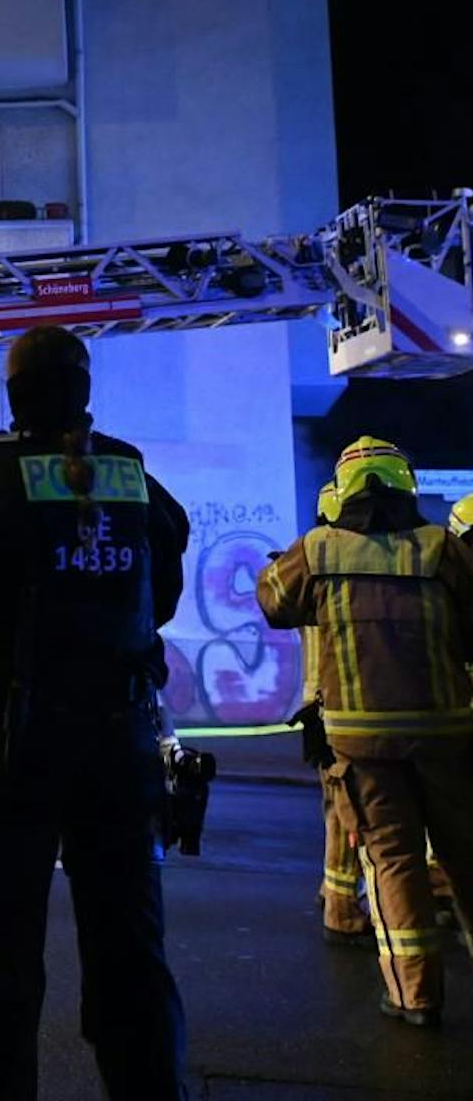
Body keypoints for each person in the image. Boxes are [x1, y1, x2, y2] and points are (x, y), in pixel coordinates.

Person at [0, 324, 190, 1101]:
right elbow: (166, 575)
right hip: (121, 742)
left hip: (14, 743)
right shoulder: (128, 476)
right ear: (84, 390)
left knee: (1, 966)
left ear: (15, 393)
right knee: (132, 956)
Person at [258, 436, 473, 1026]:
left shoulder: (320, 550)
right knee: (466, 853)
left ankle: (415, 997)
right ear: (406, 484)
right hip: (447, 731)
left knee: (392, 860)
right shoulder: (441, 547)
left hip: (362, 740)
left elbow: (273, 602)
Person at [293, 482, 373, 944]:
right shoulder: (341, 568)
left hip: (318, 709)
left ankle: (336, 893)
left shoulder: (313, 566)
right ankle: (342, 907)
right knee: (349, 814)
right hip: (338, 709)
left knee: (336, 810)